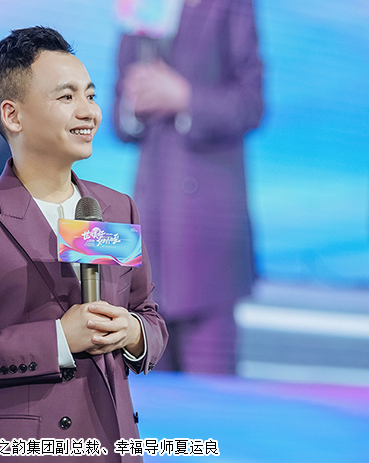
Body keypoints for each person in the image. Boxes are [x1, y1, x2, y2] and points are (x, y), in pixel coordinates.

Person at [0, 26, 167, 462]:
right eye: (66, 97)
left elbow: (149, 315)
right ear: (13, 116)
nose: (88, 112)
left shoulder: (115, 208)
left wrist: (133, 332)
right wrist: (59, 339)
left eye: (91, 95)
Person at [113, 0, 263, 374]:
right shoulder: (139, 7)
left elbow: (251, 103)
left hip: (208, 236)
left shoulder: (230, 5)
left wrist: (184, 98)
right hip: (152, 229)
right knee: (149, 393)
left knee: (210, 393)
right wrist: (133, 105)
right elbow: (119, 113)